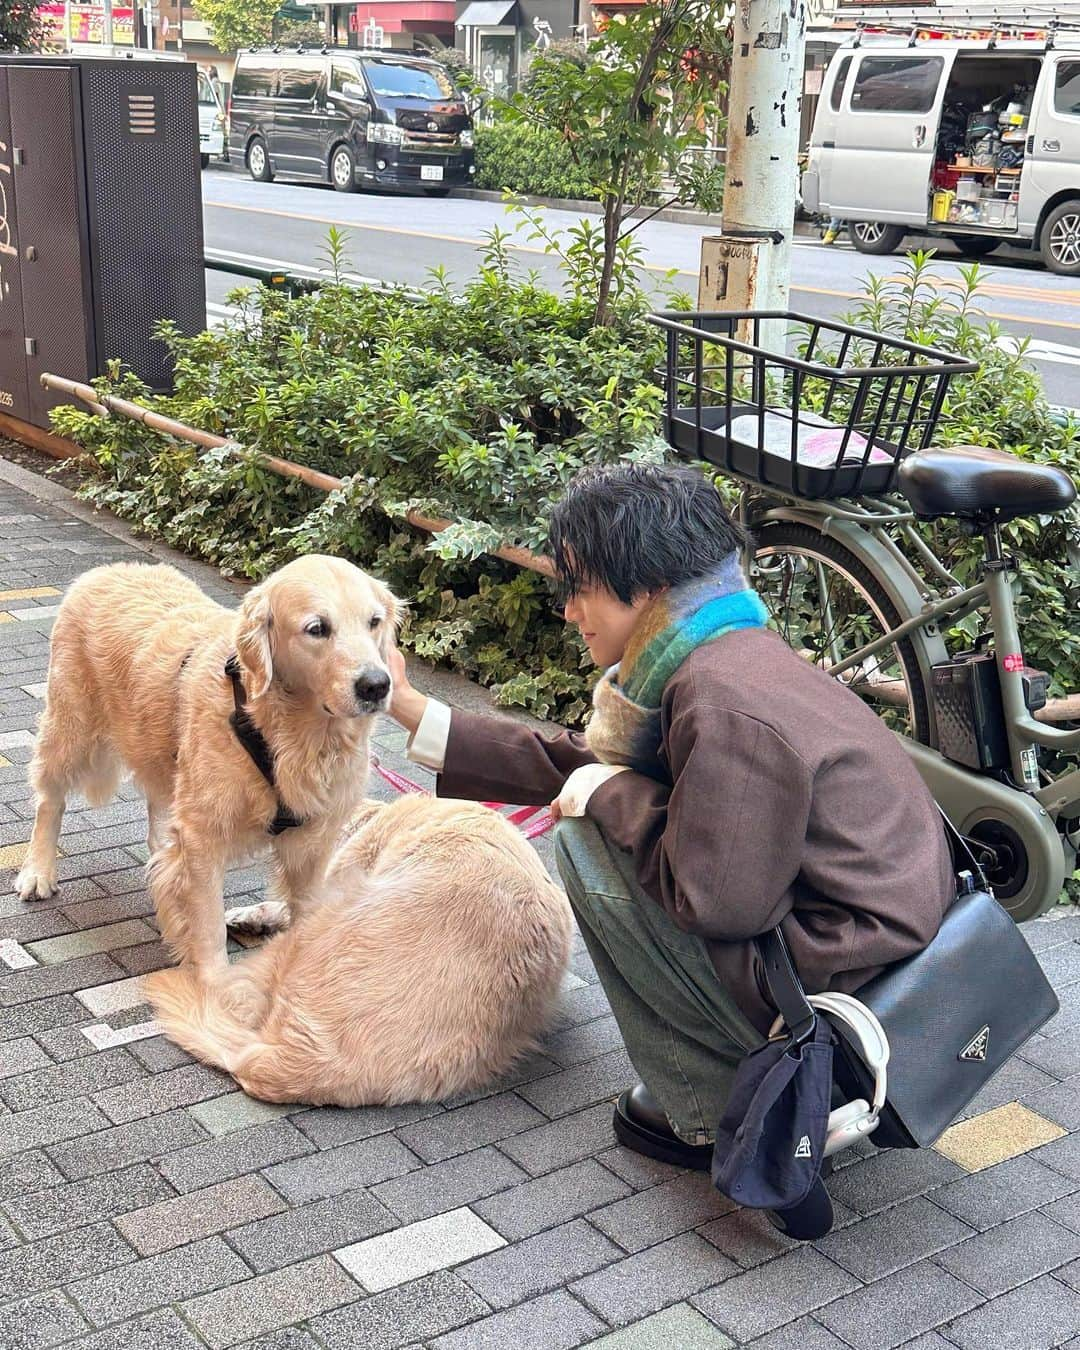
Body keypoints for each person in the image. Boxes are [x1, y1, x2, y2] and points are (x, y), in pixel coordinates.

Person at [387, 463, 954, 1238]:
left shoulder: (719, 699)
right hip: (886, 942)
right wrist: (413, 709)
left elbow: (715, 900)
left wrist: (609, 799)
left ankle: (720, 1105)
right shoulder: (727, 648)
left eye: (577, 585)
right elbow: (591, 765)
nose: (568, 610)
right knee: (600, 802)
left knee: (589, 838)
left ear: (642, 581)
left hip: (841, 983)